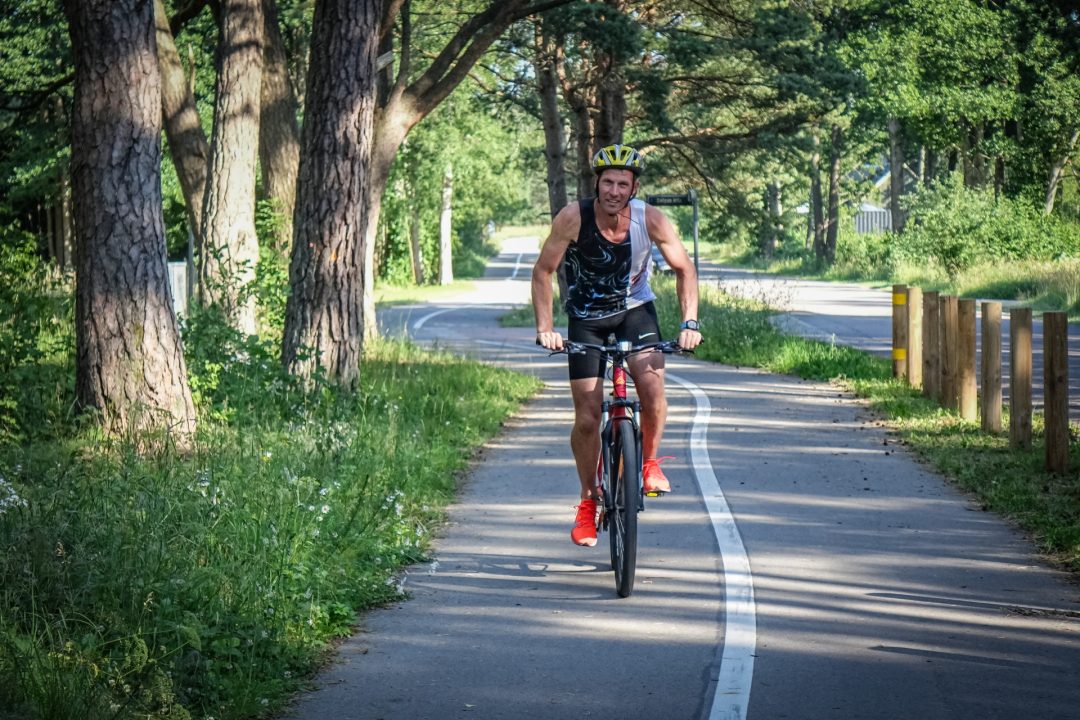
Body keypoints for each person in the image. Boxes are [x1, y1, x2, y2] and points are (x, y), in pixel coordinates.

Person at [531, 143, 703, 547]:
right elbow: (543, 272)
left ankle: (648, 463)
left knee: (652, 388)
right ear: (597, 184)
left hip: (635, 311)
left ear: (634, 188)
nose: (614, 191)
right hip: (586, 318)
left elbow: (685, 269)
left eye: (622, 184)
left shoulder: (650, 219)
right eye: (607, 182)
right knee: (587, 418)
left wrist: (689, 323)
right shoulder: (573, 217)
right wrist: (545, 327)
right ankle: (588, 501)